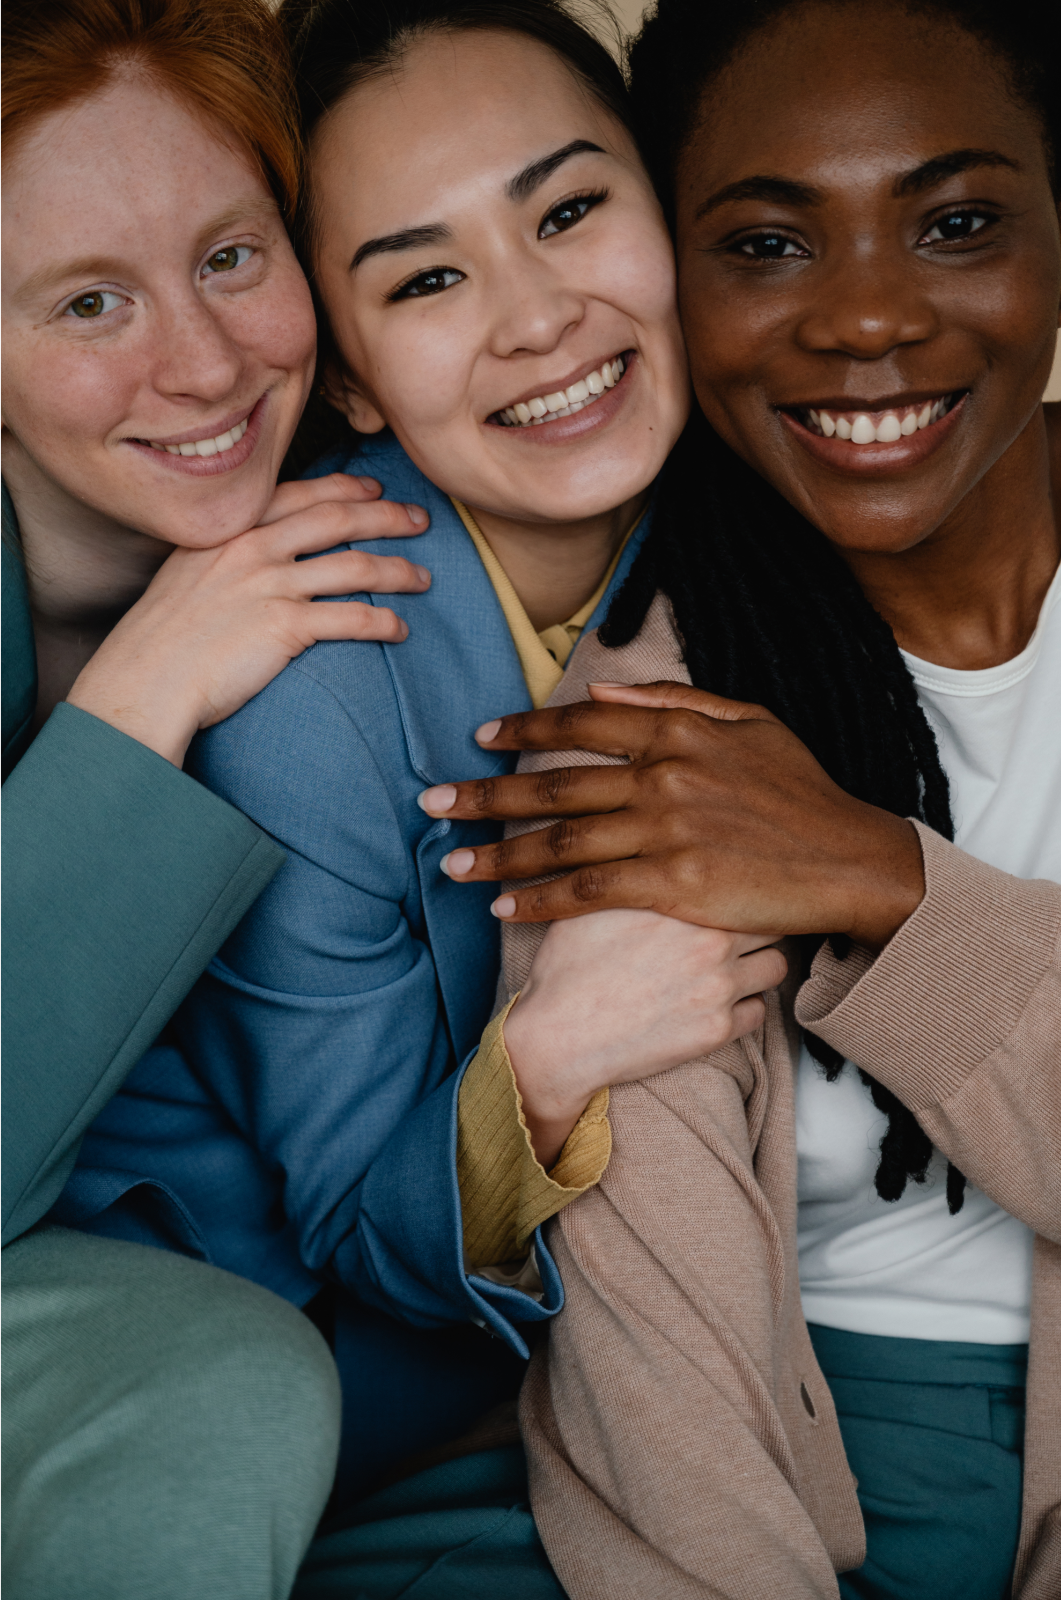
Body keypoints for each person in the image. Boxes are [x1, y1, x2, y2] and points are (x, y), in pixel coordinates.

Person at [57, 3, 784, 1589]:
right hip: (276, 1362)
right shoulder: (313, 679)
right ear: (359, 377)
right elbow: (360, 1232)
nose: (536, 319)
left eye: (571, 210)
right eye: (429, 277)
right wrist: (551, 1058)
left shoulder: (765, 509)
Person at [418, 0, 1061, 1595]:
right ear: (670, 283)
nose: (863, 323)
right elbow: (667, 1384)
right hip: (781, 1453)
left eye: (957, 223)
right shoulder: (646, 722)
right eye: (768, 247)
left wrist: (882, 883)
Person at [1, 0, 434, 1592]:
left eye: (233, 257)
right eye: (89, 300)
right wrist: (141, 695)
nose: (201, 361)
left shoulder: (392, 517)